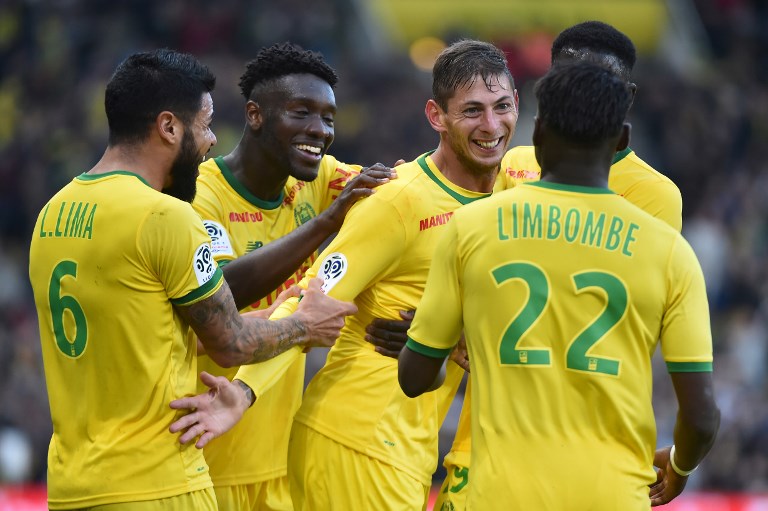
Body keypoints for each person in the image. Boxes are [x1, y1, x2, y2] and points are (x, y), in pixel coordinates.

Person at [170, 39, 519, 510]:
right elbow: (298, 298)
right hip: (328, 440)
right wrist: (243, 392)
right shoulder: (207, 195)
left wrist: (452, 335)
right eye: (473, 110)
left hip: (372, 448)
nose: (492, 125)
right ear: (437, 117)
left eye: (502, 107)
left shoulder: (501, 195)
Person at [27, 49, 357, 511]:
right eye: (203, 126)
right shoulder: (166, 217)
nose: (208, 142)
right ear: (168, 128)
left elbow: (150, 327)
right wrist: (306, 324)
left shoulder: (53, 213)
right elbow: (231, 343)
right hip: (158, 483)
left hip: (73, 485)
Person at [398, 60, 720, 510]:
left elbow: (413, 377)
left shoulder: (471, 227)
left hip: (499, 495)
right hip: (613, 497)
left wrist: (440, 347)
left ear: (539, 134)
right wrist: (681, 466)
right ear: (622, 140)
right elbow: (702, 418)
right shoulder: (669, 251)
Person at [190, 42, 394, 511]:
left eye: (328, 118)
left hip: (279, 464)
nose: (319, 131)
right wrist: (325, 224)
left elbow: (397, 197)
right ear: (256, 115)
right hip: (207, 459)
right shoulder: (201, 196)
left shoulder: (315, 179)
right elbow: (220, 299)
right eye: (302, 113)